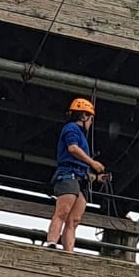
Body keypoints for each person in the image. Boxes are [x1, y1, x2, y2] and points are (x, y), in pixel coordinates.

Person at [45, 97, 104, 252]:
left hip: (80, 178)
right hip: (68, 174)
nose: (91, 123)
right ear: (84, 116)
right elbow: (72, 148)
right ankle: (51, 243)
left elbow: (80, 163)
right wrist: (93, 163)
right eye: (91, 118)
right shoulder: (71, 128)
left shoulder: (80, 134)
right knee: (62, 212)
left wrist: (96, 177)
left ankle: (69, 251)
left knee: (74, 220)